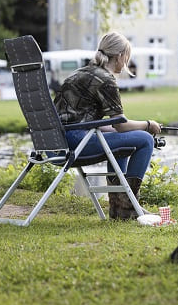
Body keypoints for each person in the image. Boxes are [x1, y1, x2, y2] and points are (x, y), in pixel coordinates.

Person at [53, 32, 161, 220]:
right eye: (127, 56)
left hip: (59, 141)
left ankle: (119, 210)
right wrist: (148, 125)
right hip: (76, 142)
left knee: (121, 142)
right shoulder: (106, 79)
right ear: (120, 56)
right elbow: (120, 124)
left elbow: (95, 123)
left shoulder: (81, 73)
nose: (127, 61)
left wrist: (130, 127)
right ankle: (127, 206)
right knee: (144, 139)